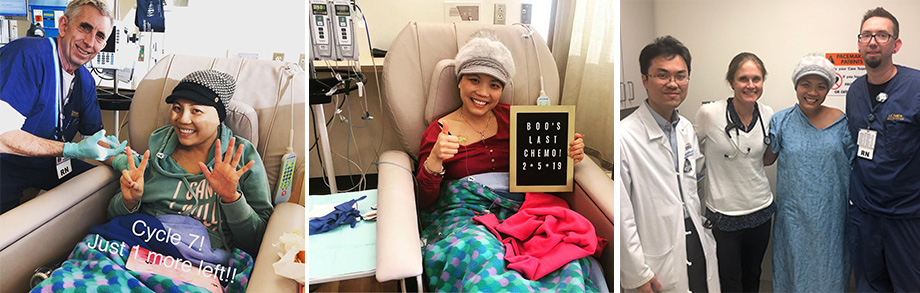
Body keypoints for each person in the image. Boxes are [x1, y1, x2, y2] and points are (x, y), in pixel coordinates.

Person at [416, 30, 594, 291]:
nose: (483, 92)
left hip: (522, 208)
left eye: (494, 85)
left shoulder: (517, 119)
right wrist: (434, 161)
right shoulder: (439, 130)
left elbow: (544, 164)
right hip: (466, 213)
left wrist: (570, 151)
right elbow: (423, 199)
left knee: (560, 257)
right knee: (478, 253)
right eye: (474, 80)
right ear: (460, 82)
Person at [107, 69, 273, 255]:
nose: (183, 119)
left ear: (219, 117)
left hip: (197, 263)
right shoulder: (154, 152)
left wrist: (232, 199)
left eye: (196, 111)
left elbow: (259, 241)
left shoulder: (242, 157)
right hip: (138, 244)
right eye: (177, 108)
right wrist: (129, 202)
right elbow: (114, 218)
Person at [0, 0, 126, 214]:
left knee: (105, 188)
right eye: (85, 27)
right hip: (5, 163)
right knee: (7, 237)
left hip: (46, 164)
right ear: (64, 26)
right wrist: (70, 149)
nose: (89, 42)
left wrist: (125, 160)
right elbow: (3, 136)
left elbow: (93, 138)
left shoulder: (85, 82)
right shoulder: (27, 56)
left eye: (99, 36)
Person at [620, 35, 719, 293]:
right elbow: (623, 215)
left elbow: (691, 186)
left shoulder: (686, 128)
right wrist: (637, 274)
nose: (673, 83)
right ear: (644, 79)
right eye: (662, 75)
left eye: (681, 75)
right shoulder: (625, 136)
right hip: (654, 253)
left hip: (693, 237)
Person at [761, 54, 854, 292]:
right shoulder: (781, 121)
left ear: (828, 89)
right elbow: (765, 160)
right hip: (793, 218)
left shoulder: (843, 123)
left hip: (831, 218)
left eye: (821, 86)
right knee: (793, 272)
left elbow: (857, 166)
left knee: (829, 273)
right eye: (806, 84)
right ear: (796, 86)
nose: (812, 92)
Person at [845, 7, 920, 291]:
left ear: (896, 44)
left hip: (907, 217)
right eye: (866, 35)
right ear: (859, 43)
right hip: (865, 215)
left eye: (881, 35)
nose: (873, 41)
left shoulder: (916, 87)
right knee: (868, 285)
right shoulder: (854, 92)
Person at [693, 52, 773, 292]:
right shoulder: (709, 114)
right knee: (729, 280)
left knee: (752, 274)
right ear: (731, 82)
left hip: (760, 208)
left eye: (756, 79)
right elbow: (692, 155)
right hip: (724, 213)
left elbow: (766, 160)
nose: (751, 85)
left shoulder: (768, 114)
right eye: (743, 79)